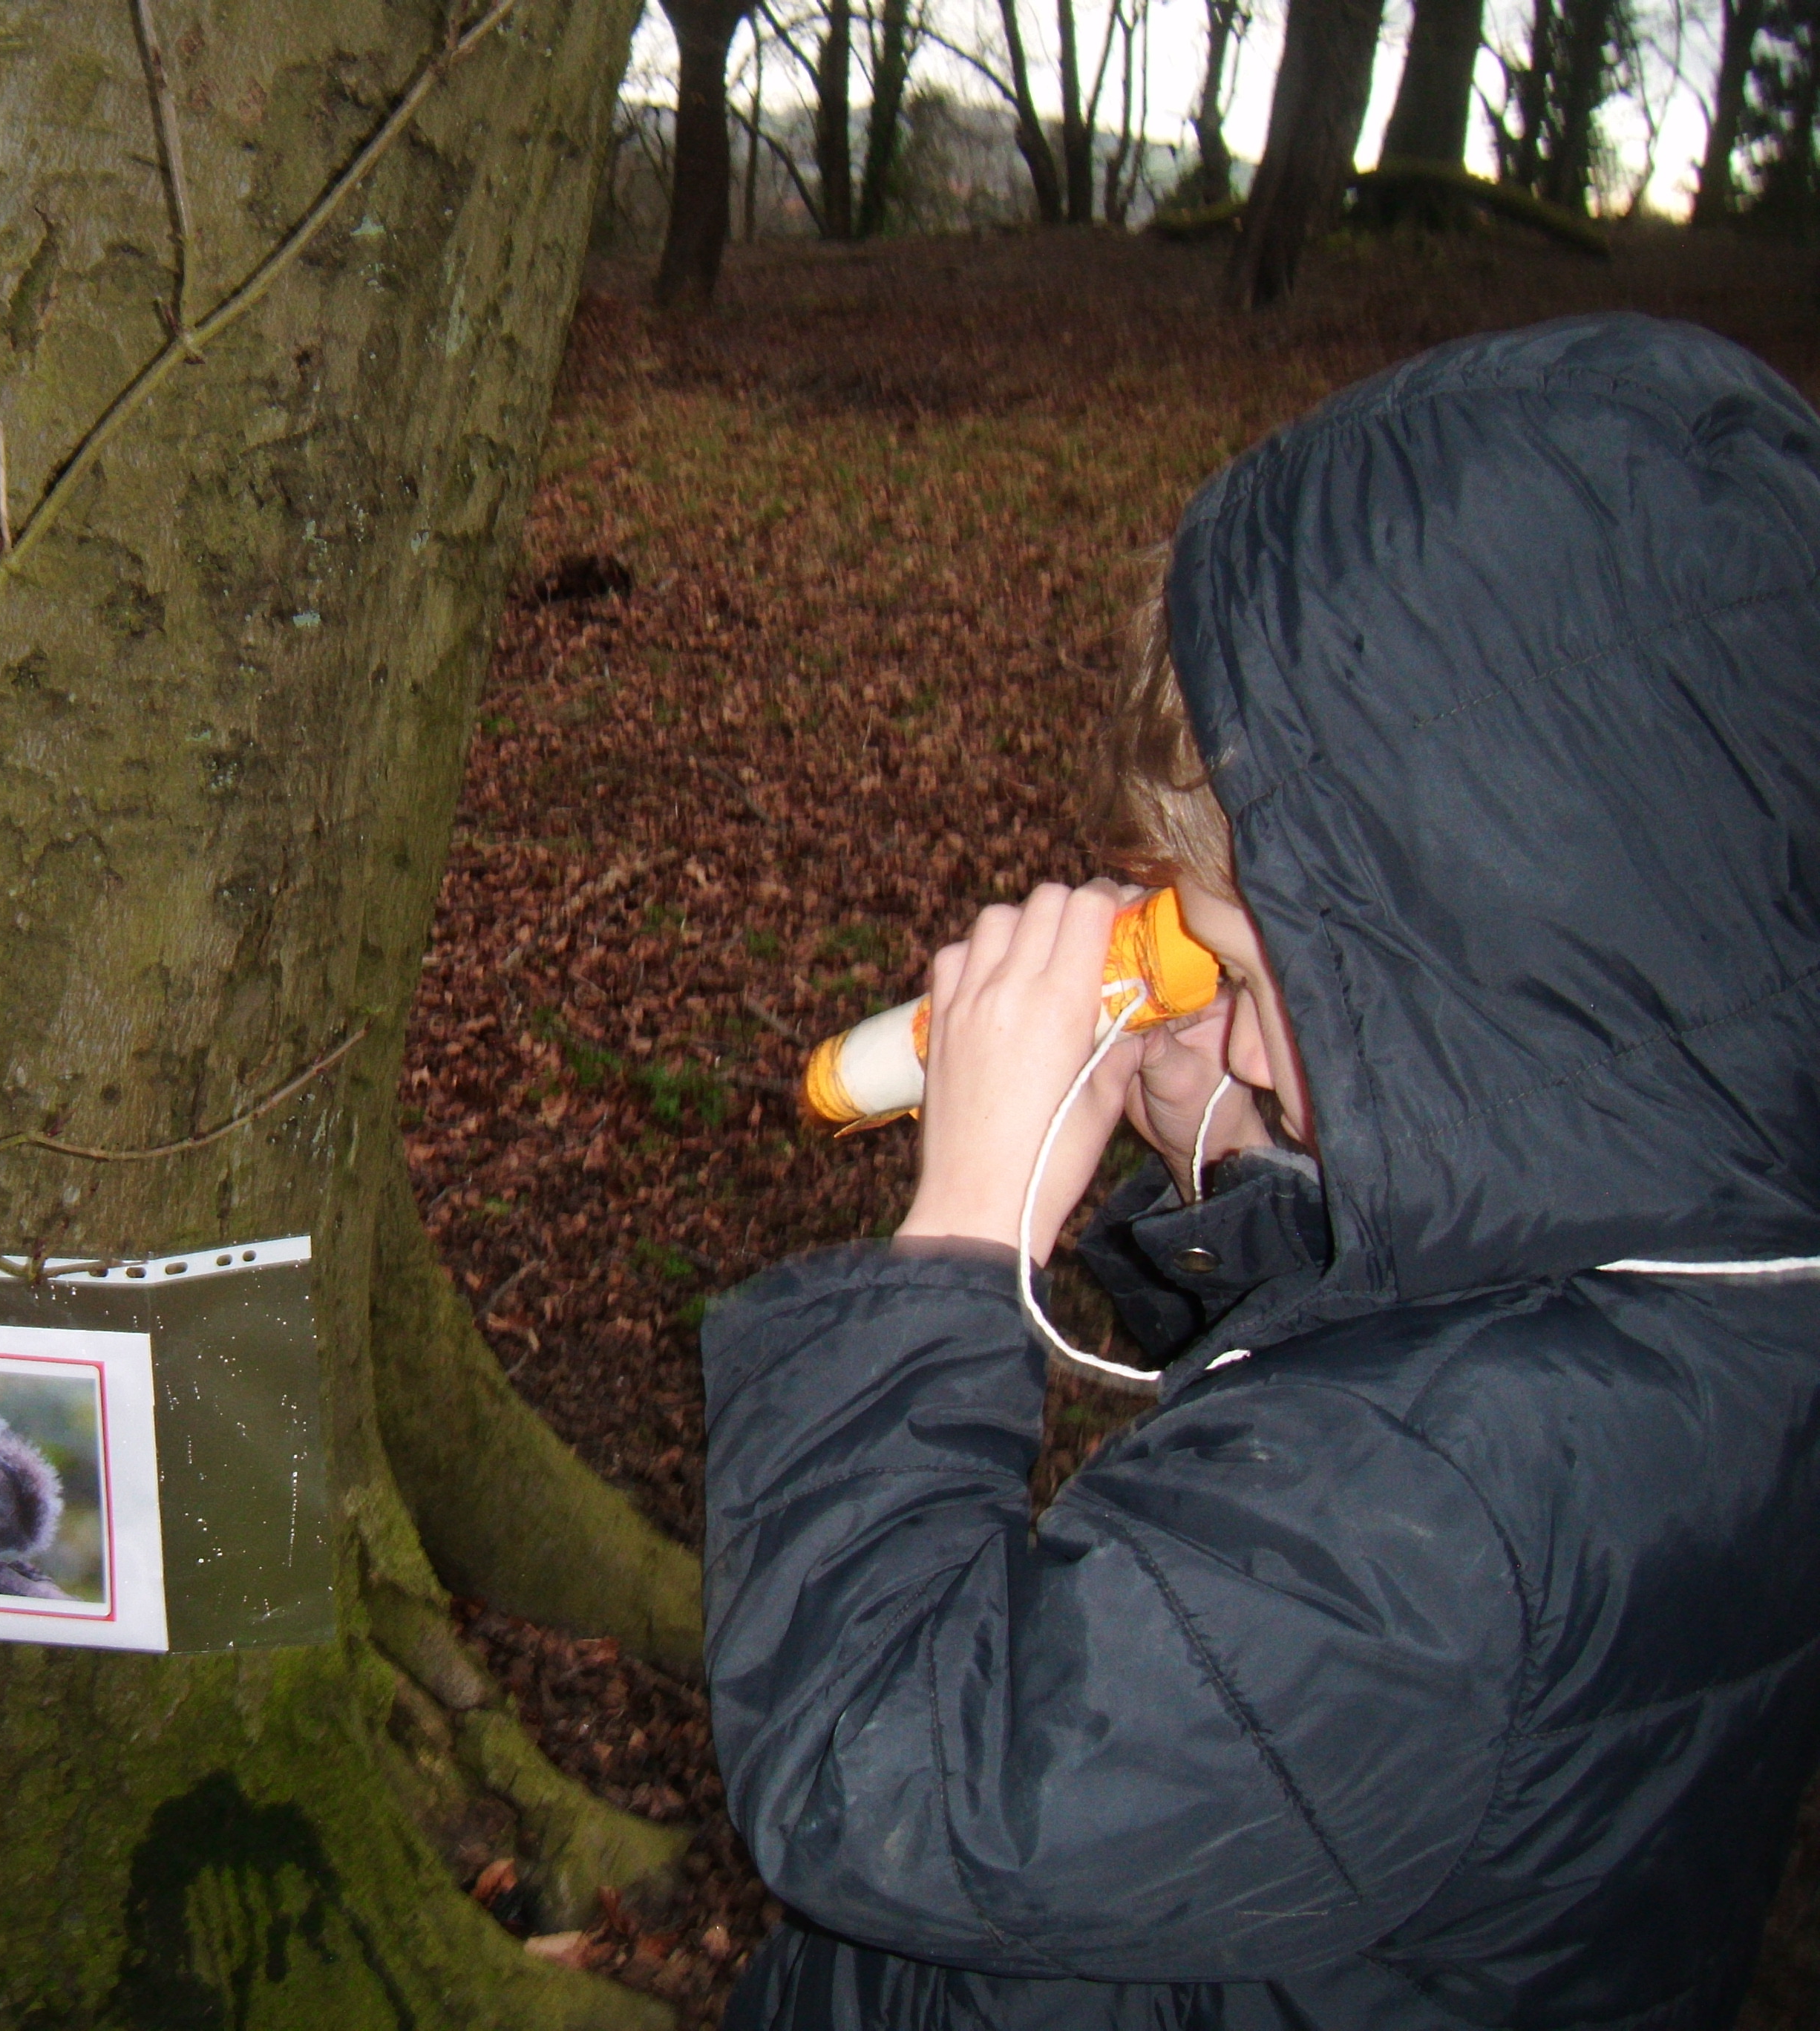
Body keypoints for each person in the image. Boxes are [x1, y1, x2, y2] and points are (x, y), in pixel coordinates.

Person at [702, 313, 1820, 2030]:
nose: (1253, 1044)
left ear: (1480, 940)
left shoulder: (1444, 1526)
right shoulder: (1698, 1266)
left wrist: (961, 1236)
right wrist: (1214, 1155)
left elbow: (883, 1775)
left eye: (1262, 970)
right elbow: (1426, 1341)